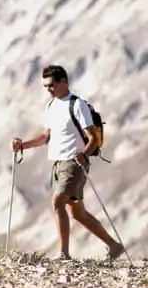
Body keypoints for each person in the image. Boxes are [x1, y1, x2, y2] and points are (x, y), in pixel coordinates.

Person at [11, 64, 124, 261]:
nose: (49, 90)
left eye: (52, 85)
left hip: (74, 163)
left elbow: (92, 138)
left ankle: (64, 254)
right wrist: (23, 145)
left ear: (64, 82)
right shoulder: (51, 106)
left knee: (57, 202)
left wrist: (85, 155)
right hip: (58, 163)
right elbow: (46, 137)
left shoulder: (77, 105)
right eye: (46, 86)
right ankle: (114, 246)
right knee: (78, 213)